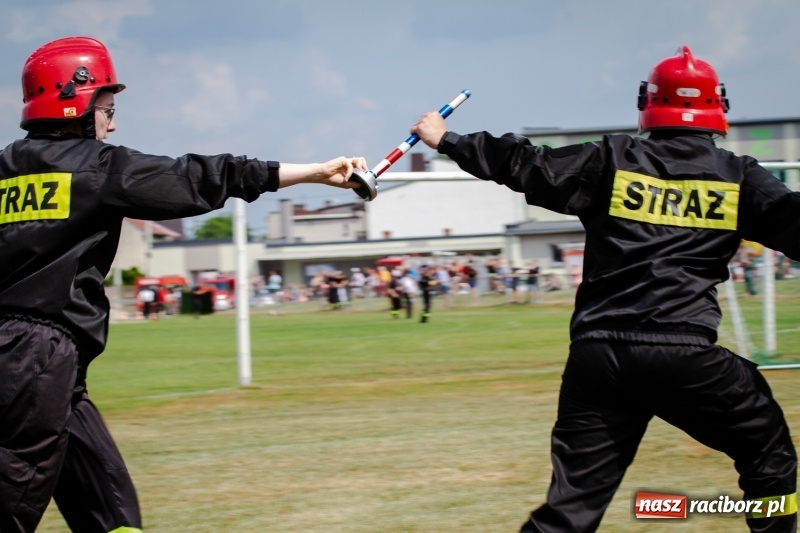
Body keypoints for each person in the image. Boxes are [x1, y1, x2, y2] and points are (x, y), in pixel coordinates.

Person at [412, 45, 797, 533]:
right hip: (683, 356)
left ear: (647, 102)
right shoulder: (739, 178)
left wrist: (447, 139)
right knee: (769, 452)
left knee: (571, 509)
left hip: (597, 358)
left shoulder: (611, 160)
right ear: (718, 106)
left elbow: (528, 163)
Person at [0, 36, 368, 533]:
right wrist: (314, 173)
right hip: (40, 358)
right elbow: (200, 178)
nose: (113, 121)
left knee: (111, 510)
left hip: (35, 364)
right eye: (107, 107)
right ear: (77, 102)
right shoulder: (98, 167)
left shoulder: (5, 168)